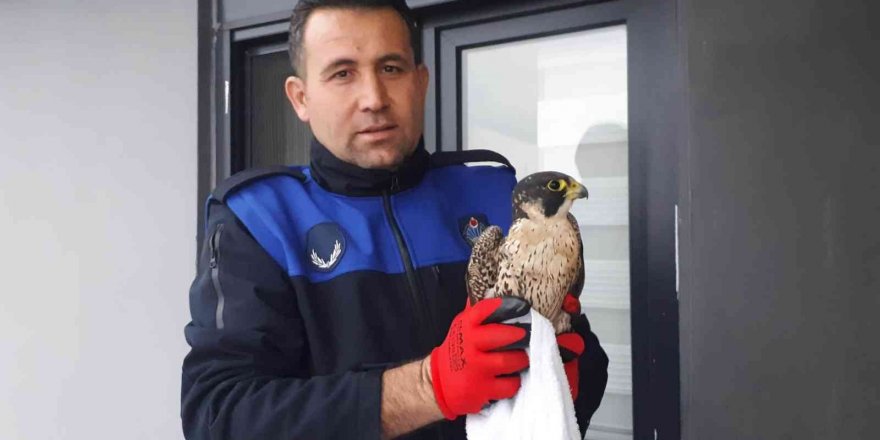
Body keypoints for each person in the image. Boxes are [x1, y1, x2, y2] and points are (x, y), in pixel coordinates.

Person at [181, 1, 608, 438]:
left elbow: (580, 362)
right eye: (342, 73)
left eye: (390, 68)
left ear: (420, 82)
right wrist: (428, 386)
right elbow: (218, 416)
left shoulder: (495, 196)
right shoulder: (259, 220)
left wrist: (565, 373)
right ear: (301, 97)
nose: (374, 99)